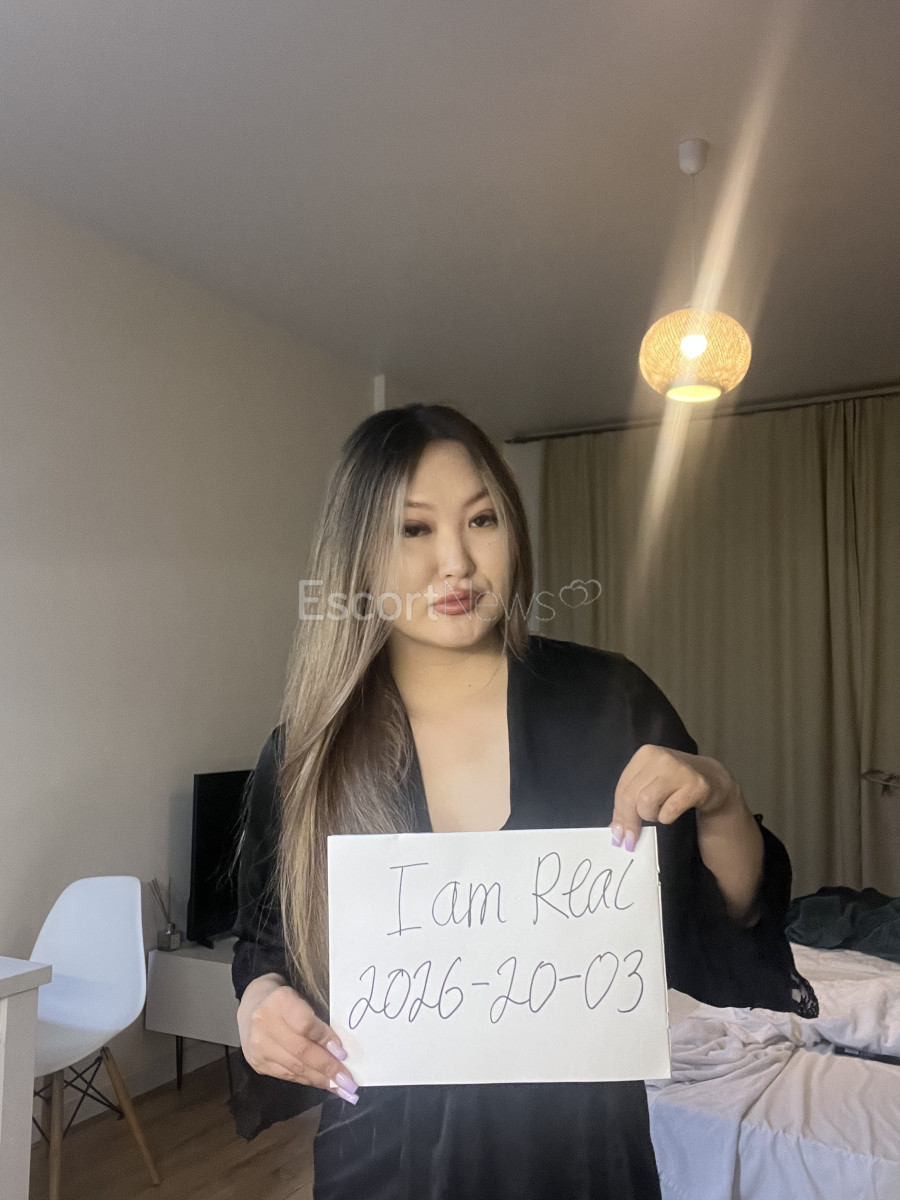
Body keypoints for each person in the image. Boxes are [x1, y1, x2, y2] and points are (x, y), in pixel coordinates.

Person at [231, 403, 807, 1199]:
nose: (458, 562)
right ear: (356, 554)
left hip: (583, 1161)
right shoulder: (310, 753)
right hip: (383, 1163)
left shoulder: (610, 703)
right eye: (414, 529)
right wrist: (258, 1003)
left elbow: (728, 917)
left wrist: (722, 799)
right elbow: (265, 941)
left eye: (483, 519)